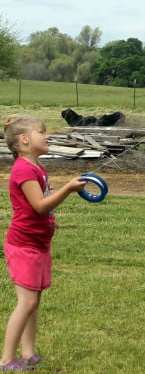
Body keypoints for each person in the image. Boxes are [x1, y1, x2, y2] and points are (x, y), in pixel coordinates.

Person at [1, 115, 86, 371]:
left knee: (34, 302)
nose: (47, 136)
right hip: (23, 246)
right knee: (26, 302)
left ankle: (28, 353)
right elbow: (39, 207)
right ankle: (6, 360)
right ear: (24, 140)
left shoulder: (36, 166)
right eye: (41, 132)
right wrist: (68, 189)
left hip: (38, 245)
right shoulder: (23, 170)